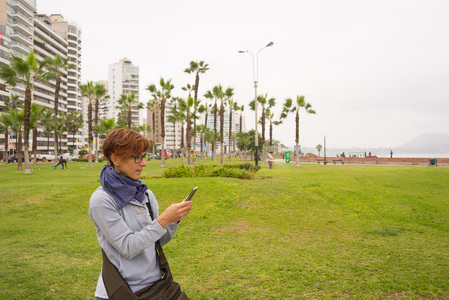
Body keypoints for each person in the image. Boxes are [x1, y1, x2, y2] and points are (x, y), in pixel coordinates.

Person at [89, 128, 192, 300]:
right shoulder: (102, 200)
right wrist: (164, 218)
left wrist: (174, 220)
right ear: (115, 159)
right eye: (136, 157)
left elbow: (157, 241)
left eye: (144, 156)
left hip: (157, 286)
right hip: (122, 291)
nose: (143, 163)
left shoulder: (145, 194)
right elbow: (128, 247)